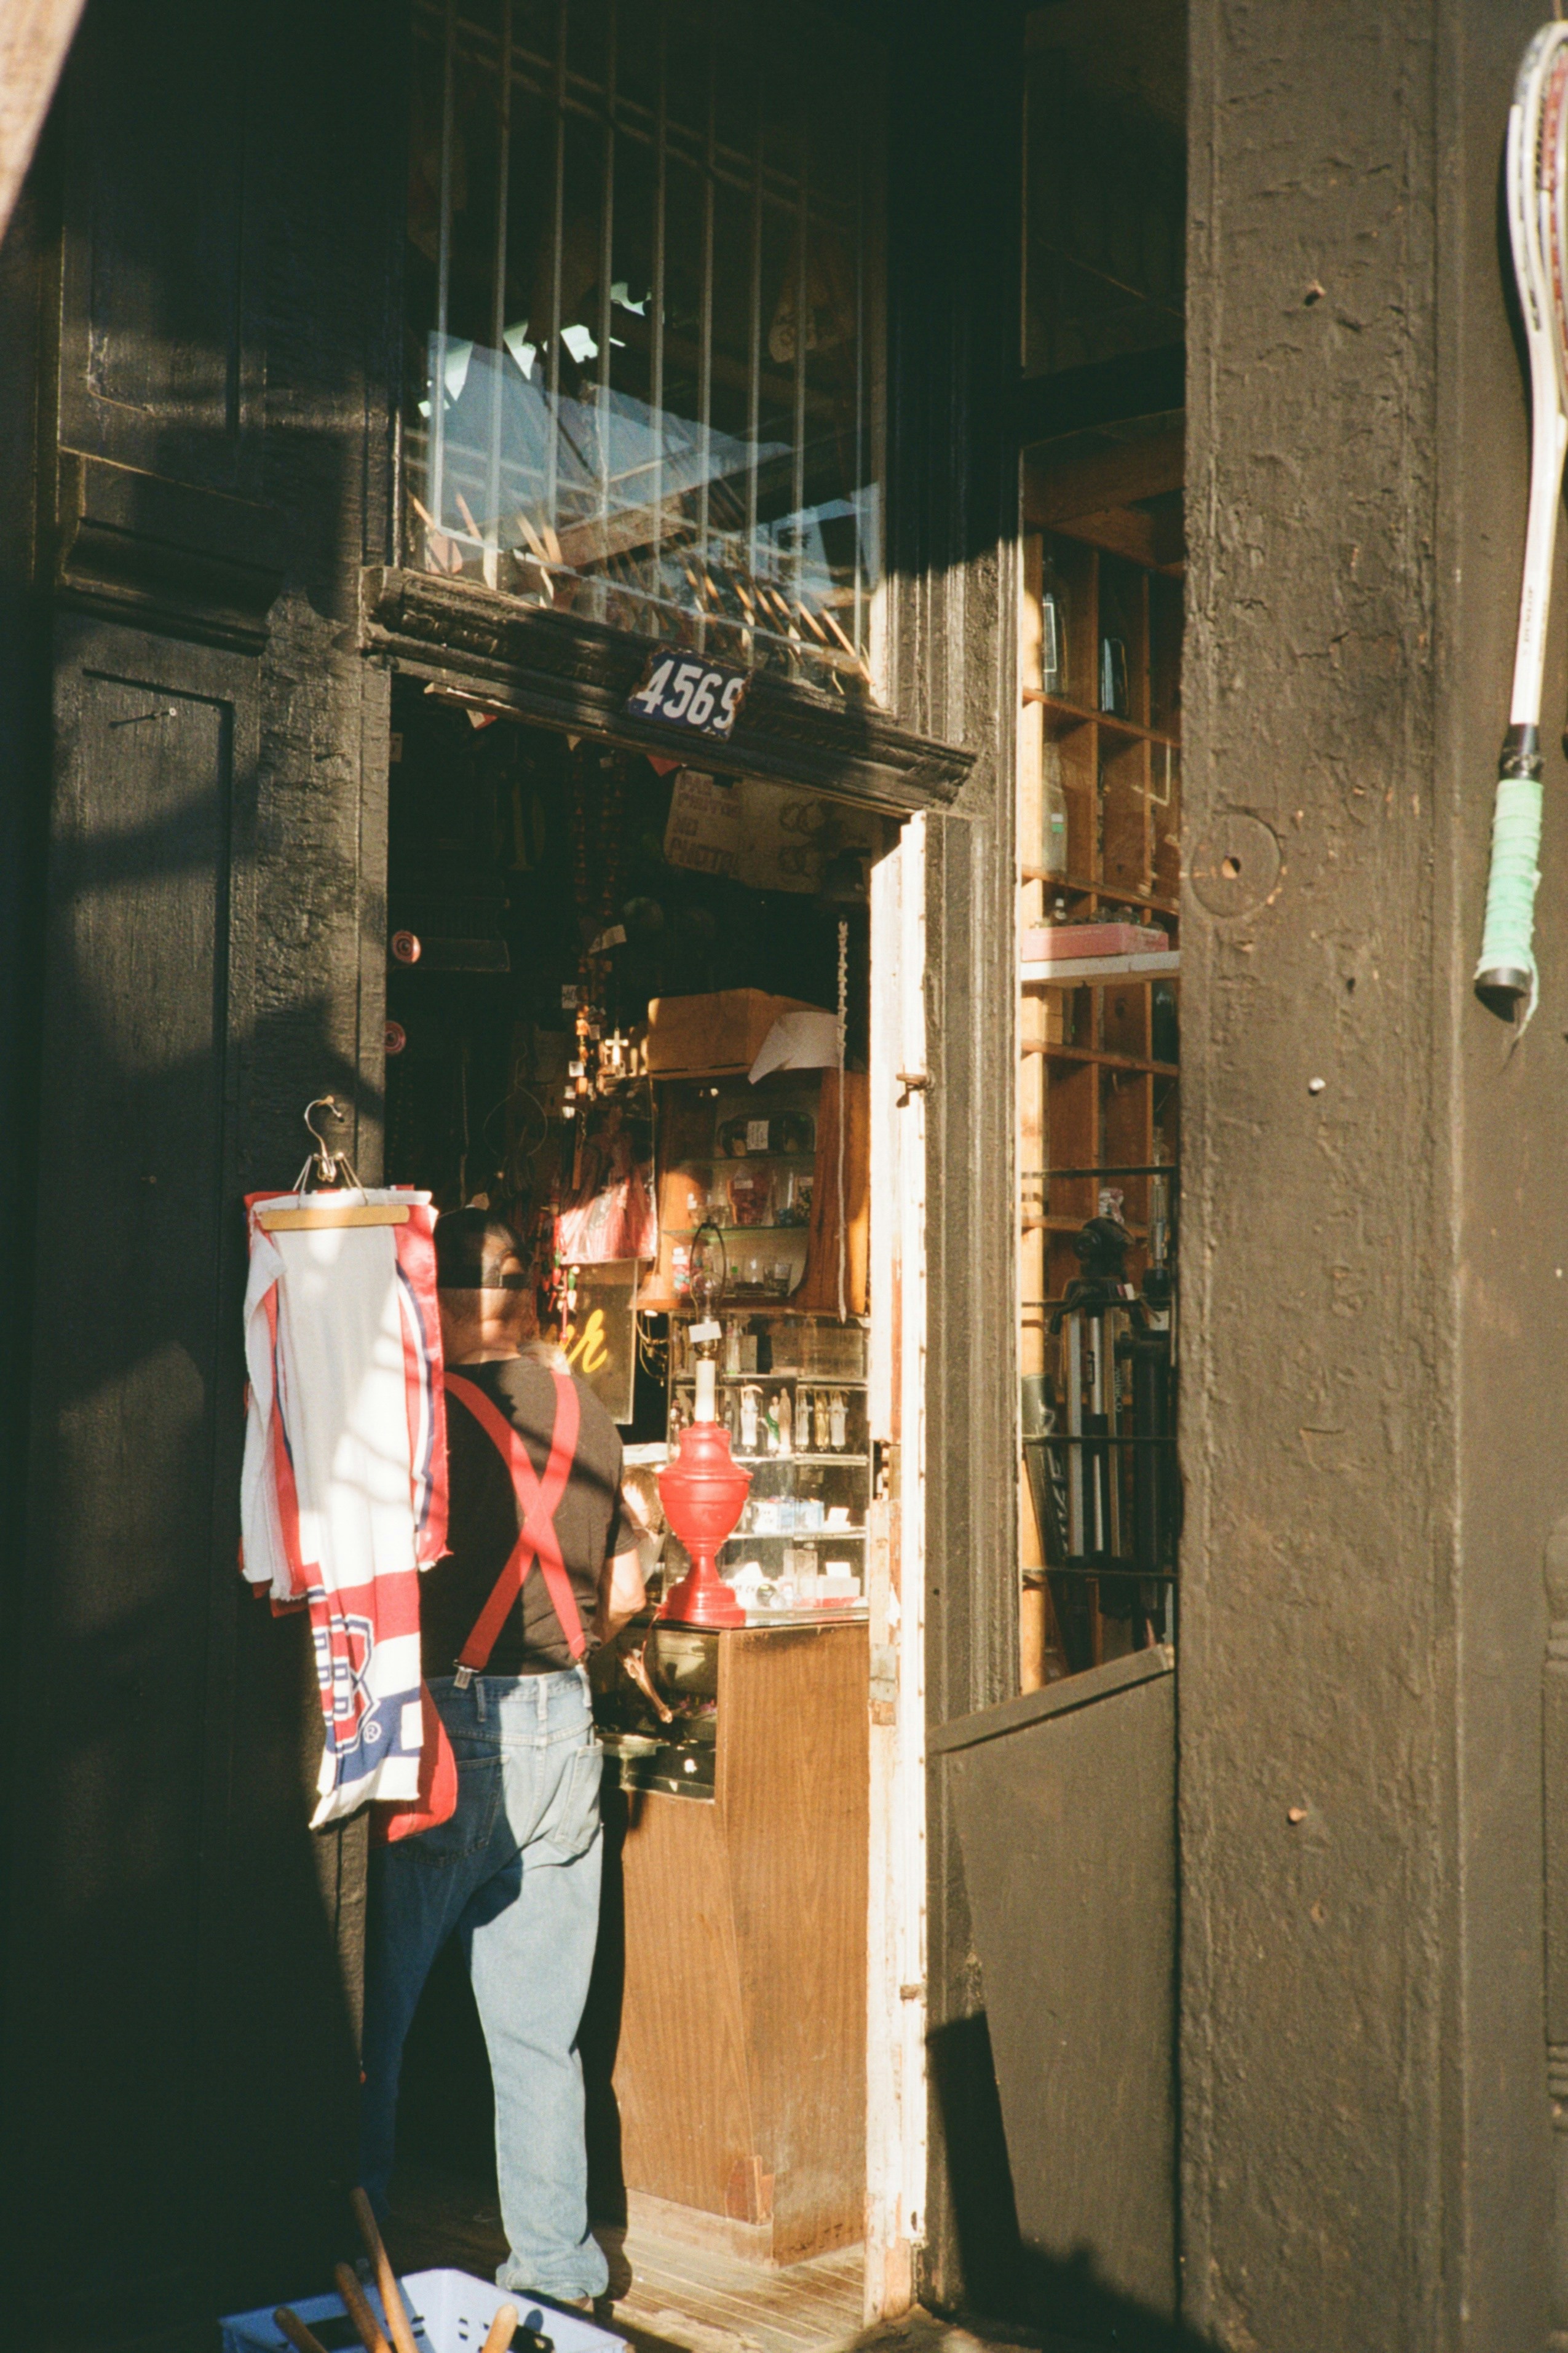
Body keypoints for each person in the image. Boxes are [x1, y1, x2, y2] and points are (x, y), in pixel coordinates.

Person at [359, 1209, 646, 2307]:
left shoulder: (422, 1418)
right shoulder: (593, 1409)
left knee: (372, 2021)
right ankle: (560, 2273)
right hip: (564, 1730)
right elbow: (619, 1594)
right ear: (525, 1301)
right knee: (541, 2039)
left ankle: (354, 2251)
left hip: (451, 1730)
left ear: (440, 1303)